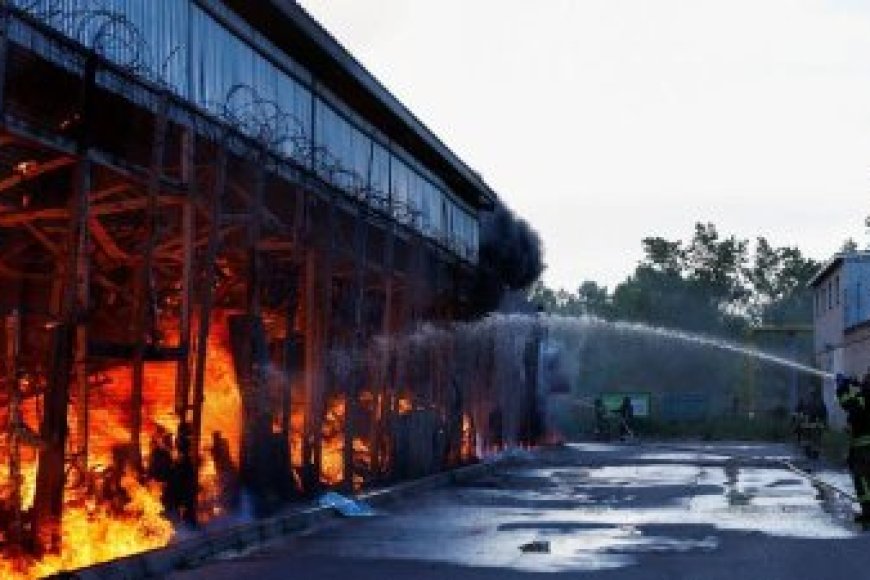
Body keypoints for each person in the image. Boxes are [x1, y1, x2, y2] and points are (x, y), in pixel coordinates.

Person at [835, 373, 870, 527]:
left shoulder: (863, 398)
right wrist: (855, 383)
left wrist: (842, 387)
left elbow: (848, 404)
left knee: (862, 480)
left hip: (864, 448)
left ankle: (868, 513)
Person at [802, 387, 828, 460]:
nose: (811, 395)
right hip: (813, 423)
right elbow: (824, 414)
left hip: (814, 423)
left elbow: (824, 414)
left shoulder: (809, 402)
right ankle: (812, 453)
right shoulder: (819, 402)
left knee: (812, 438)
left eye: (812, 394)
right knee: (813, 439)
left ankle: (812, 453)